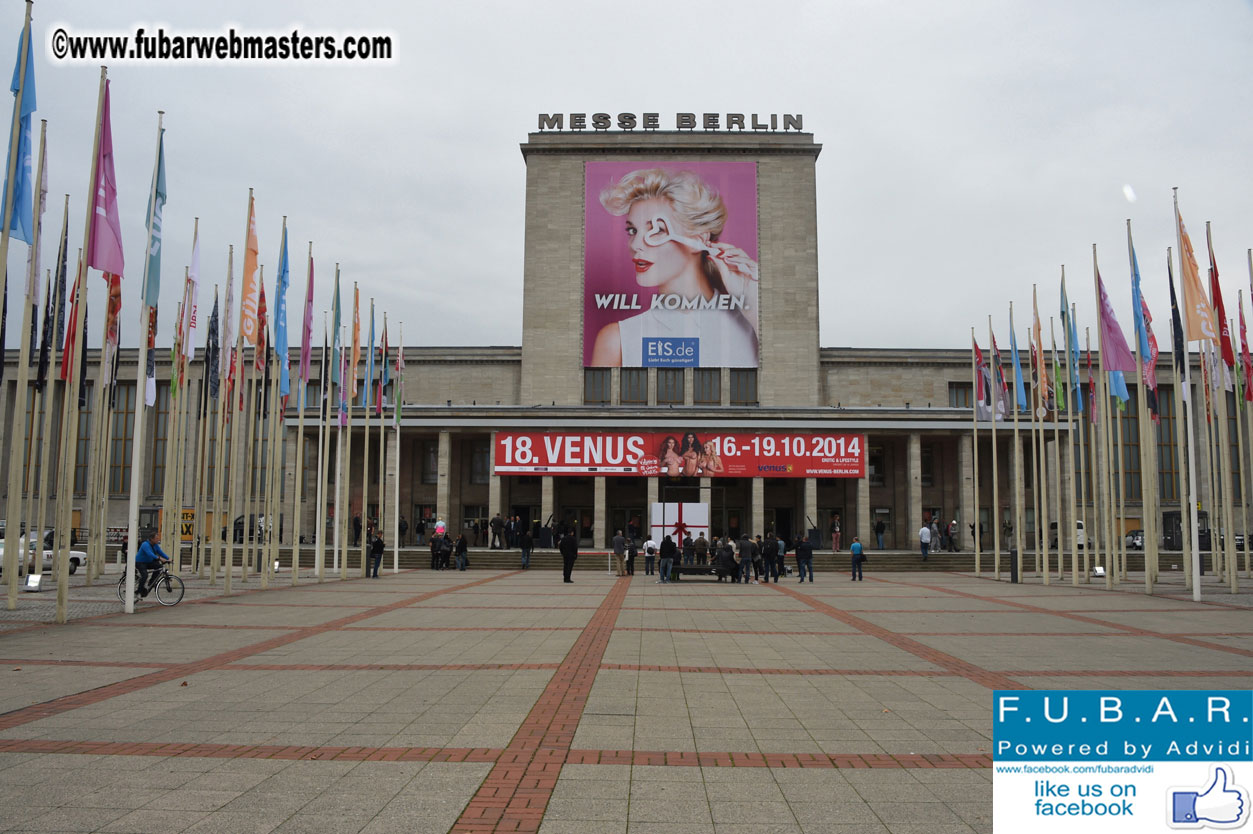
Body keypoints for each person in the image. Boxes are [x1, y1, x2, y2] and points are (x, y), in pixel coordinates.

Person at [590, 168, 759, 367]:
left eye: (657, 230)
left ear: (697, 239)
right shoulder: (618, 341)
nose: (635, 244)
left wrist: (756, 306)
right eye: (632, 230)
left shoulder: (753, 326)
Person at [134, 529, 171, 598]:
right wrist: (159, 558)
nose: (158, 540)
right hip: (140, 562)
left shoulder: (155, 545)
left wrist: (168, 558)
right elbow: (149, 554)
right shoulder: (145, 544)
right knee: (145, 575)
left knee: (159, 567)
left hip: (148, 562)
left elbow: (160, 552)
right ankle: (138, 591)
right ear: (151, 539)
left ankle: (151, 582)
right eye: (156, 538)